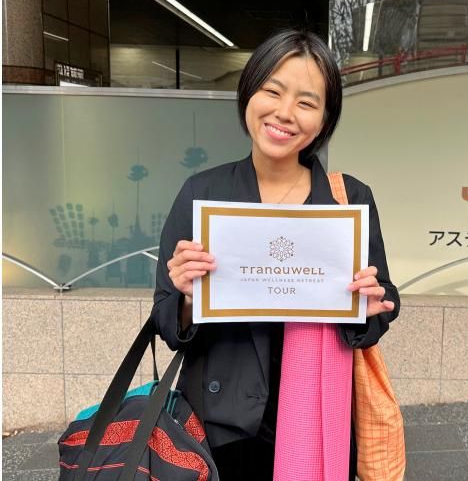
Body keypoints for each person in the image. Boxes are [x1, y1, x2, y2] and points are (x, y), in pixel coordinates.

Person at [151, 29, 400, 479]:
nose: (285, 113)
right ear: (249, 93)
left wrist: (369, 305)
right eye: (273, 91)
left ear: (325, 119)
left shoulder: (349, 199)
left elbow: (382, 306)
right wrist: (187, 297)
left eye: (307, 102)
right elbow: (168, 321)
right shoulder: (204, 193)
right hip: (220, 427)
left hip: (319, 415)